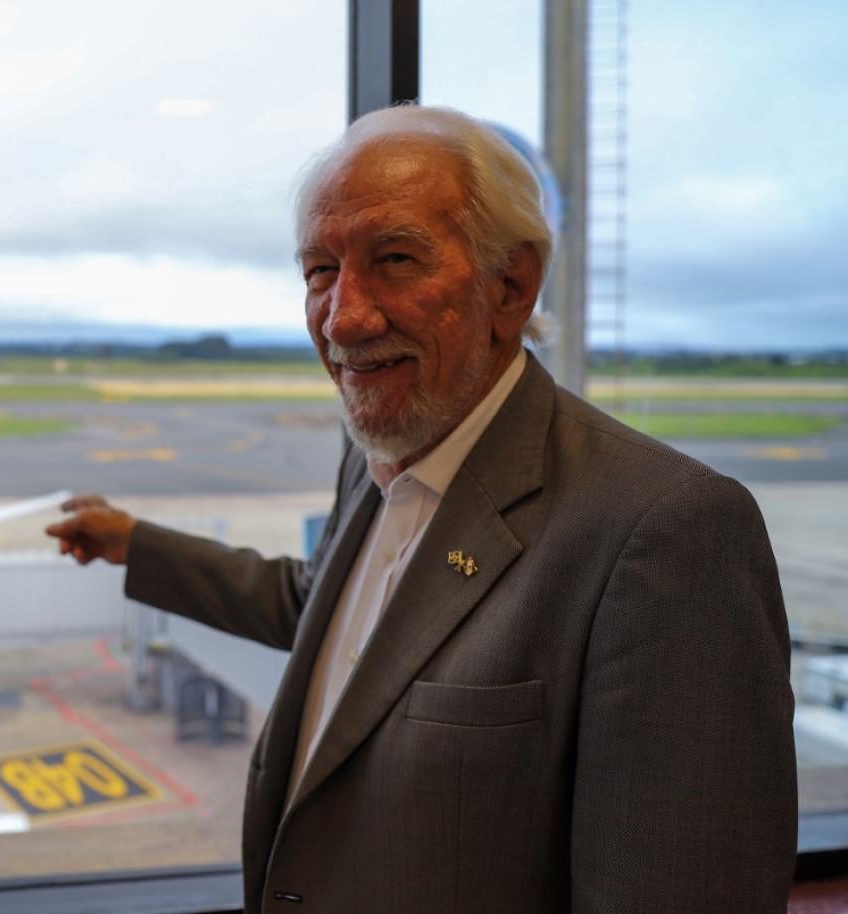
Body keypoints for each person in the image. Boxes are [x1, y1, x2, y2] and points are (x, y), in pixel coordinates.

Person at [46, 105, 797, 913]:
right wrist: (137, 546)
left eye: (395, 259)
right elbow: (330, 615)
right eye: (319, 271)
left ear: (511, 286)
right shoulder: (382, 454)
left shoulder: (667, 532)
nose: (344, 318)